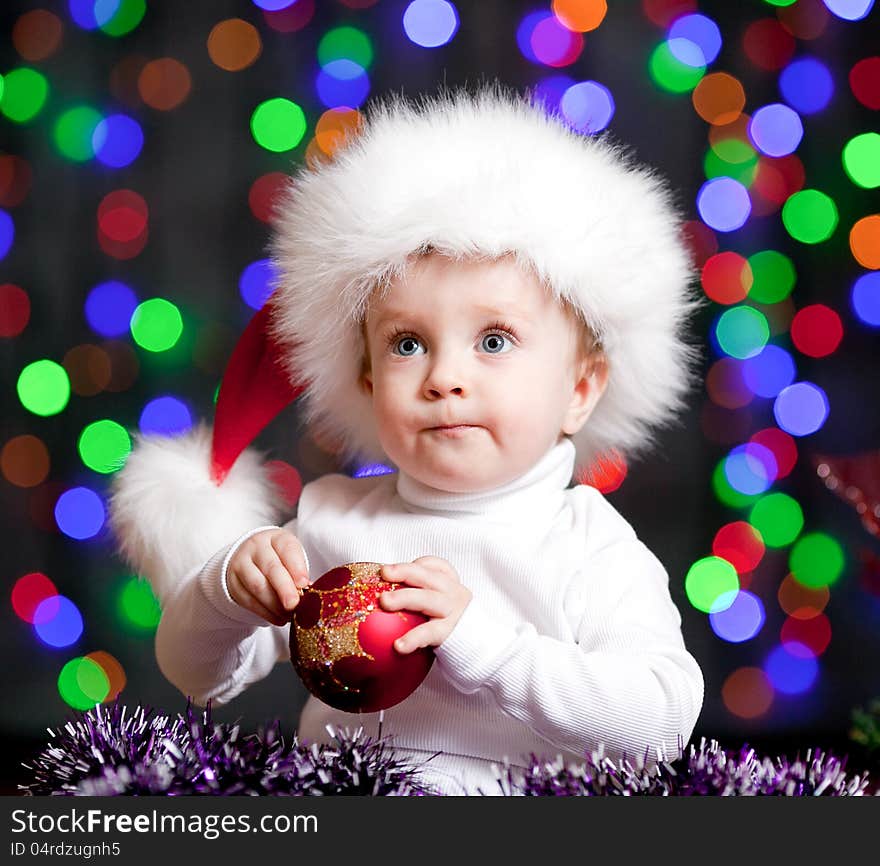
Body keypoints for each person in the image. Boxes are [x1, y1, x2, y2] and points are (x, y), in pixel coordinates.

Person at [110, 86, 705, 795]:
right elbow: (197, 677)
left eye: (494, 339)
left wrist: (488, 649)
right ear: (364, 380)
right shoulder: (333, 522)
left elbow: (662, 721)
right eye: (408, 343)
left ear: (580, 389)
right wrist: (224, 590)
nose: (445, 376)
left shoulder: (586, 545)